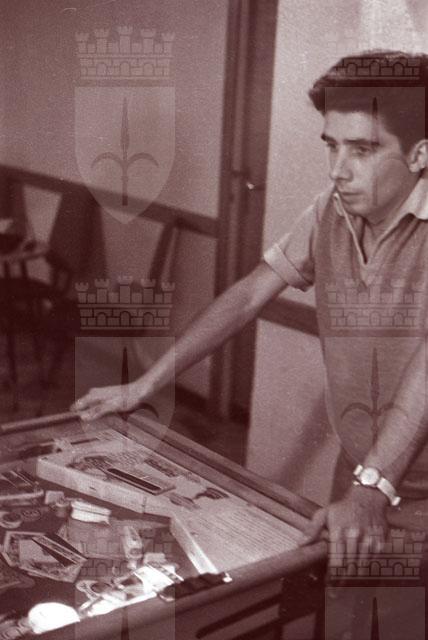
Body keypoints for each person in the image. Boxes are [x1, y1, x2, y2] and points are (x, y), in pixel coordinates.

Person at [73, 50, 428, 565]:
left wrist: (374, 486)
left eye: (363, 150)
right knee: (348, 597)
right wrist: (145, 385)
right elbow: (246, 297)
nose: (337, 171)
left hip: (396, 482)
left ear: (420, 155)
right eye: (332, 146)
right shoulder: (330, 210)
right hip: (364, 470)